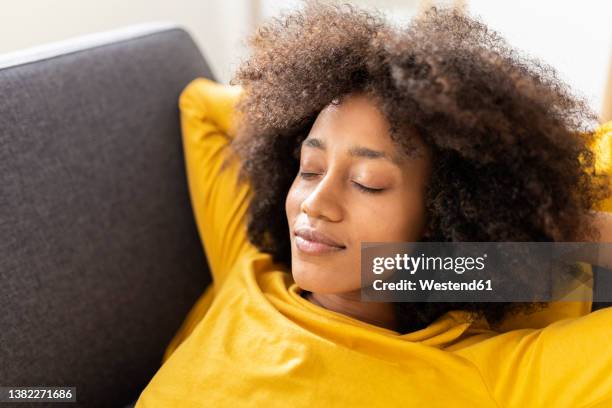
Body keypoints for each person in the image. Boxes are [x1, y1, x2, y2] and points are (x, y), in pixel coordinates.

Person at [136, 3, 612, 406]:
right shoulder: (250, 264)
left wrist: (530, 230)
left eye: (368, 183)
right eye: (310, 168)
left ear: (444, 218)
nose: (315, 204)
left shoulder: (492, 376)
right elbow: (201, 107)